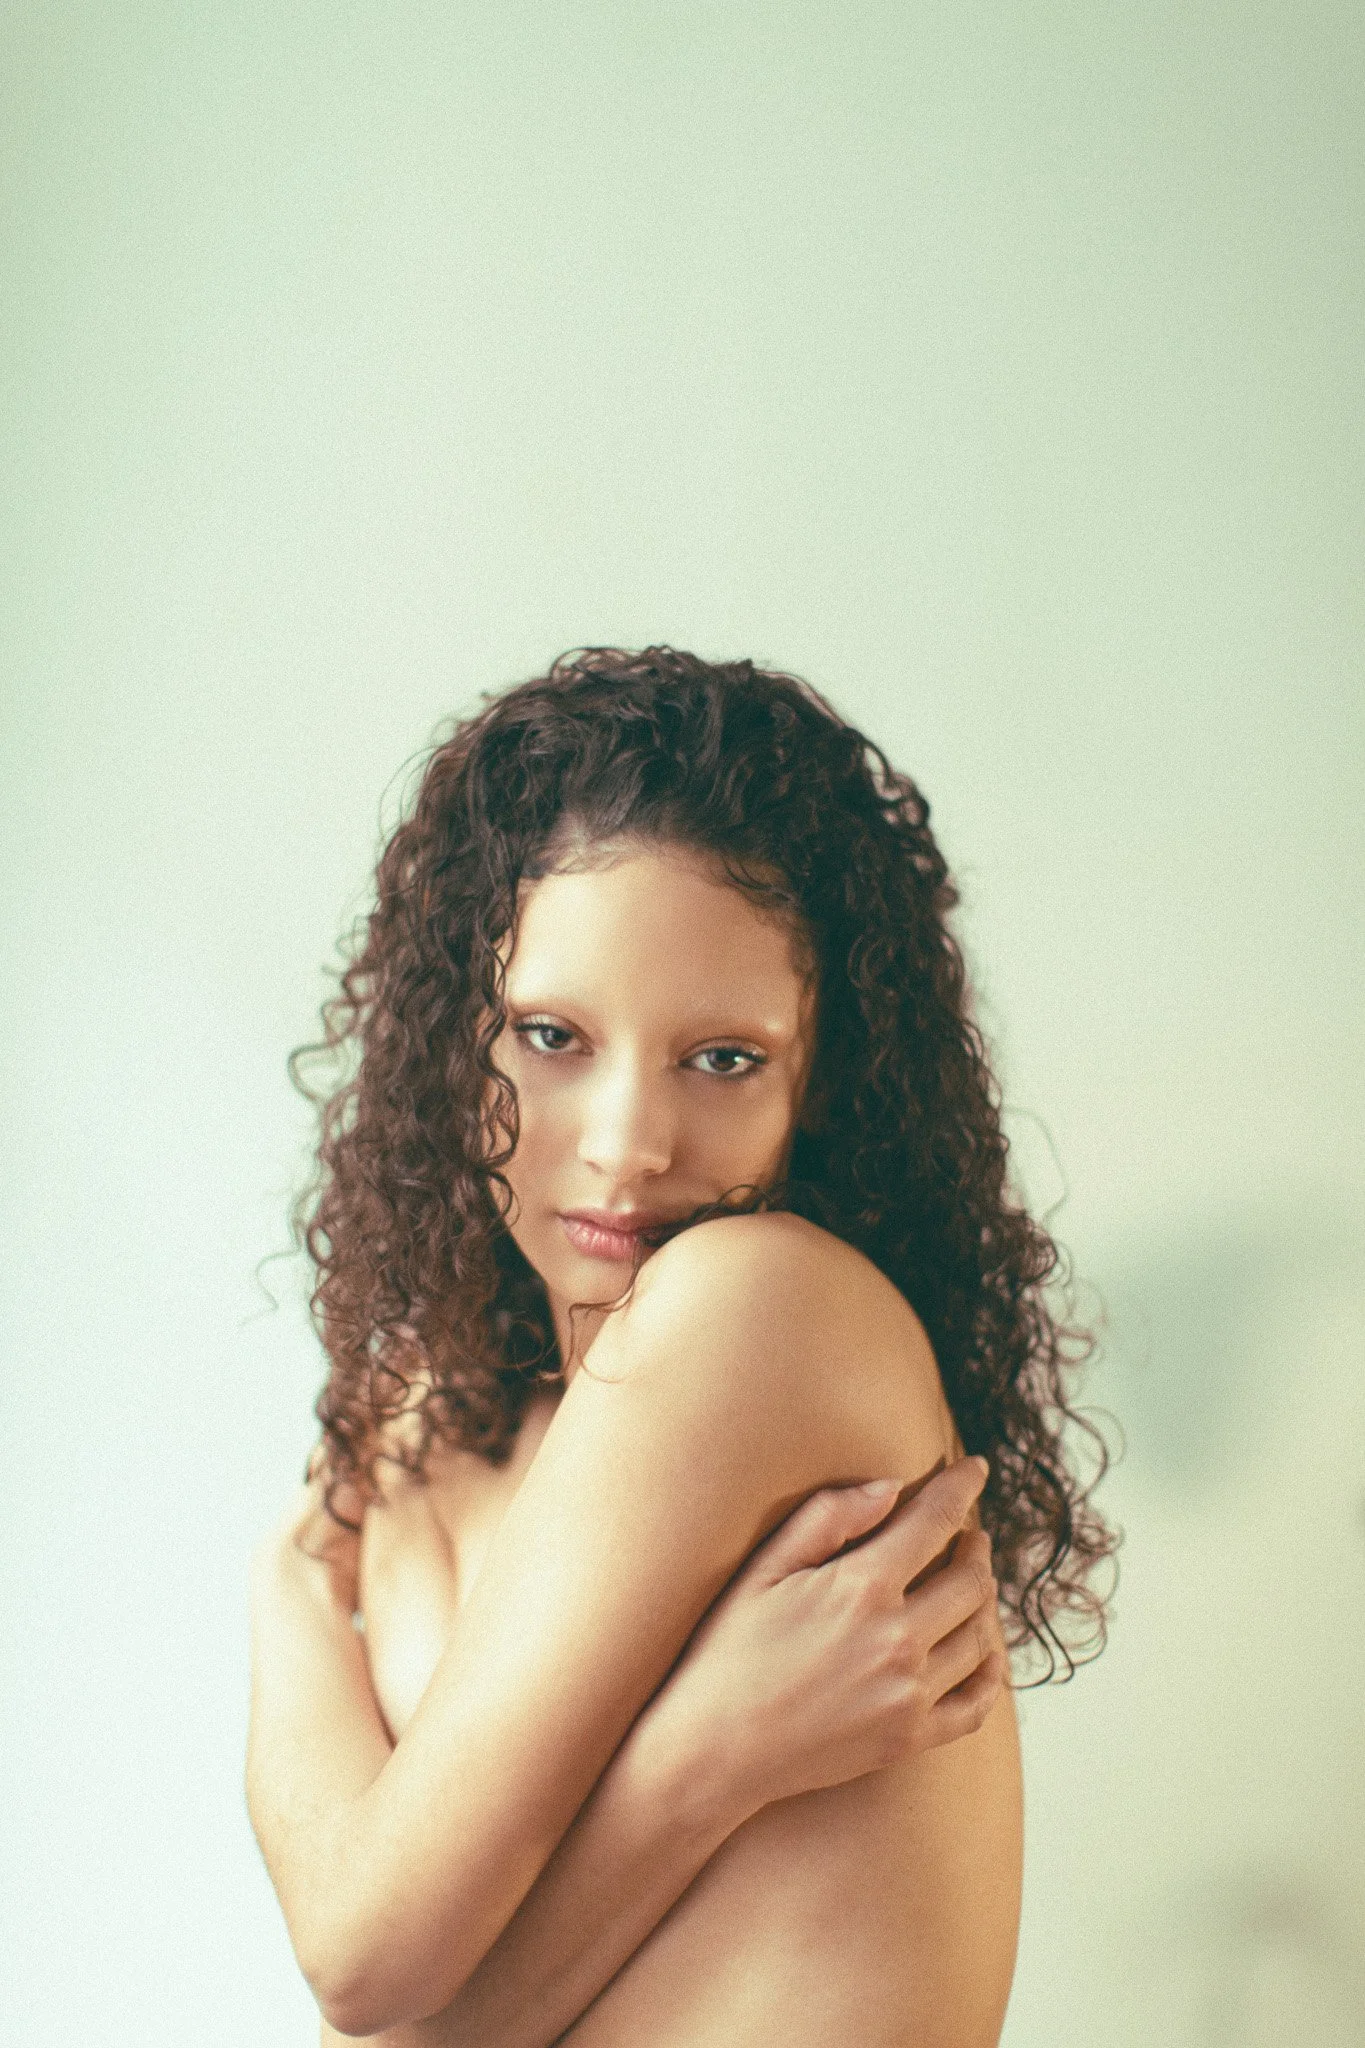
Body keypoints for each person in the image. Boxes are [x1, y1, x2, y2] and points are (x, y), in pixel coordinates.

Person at [247, 647, 1115, 2046]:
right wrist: (706, 1758)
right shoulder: (436, 1417)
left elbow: (360, 1962)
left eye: (724, 1058)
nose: (628, 1145)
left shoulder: (756, 1310)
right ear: (451, 1038)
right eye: (550, 1035)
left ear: (825, 1080)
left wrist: (295, 1599)